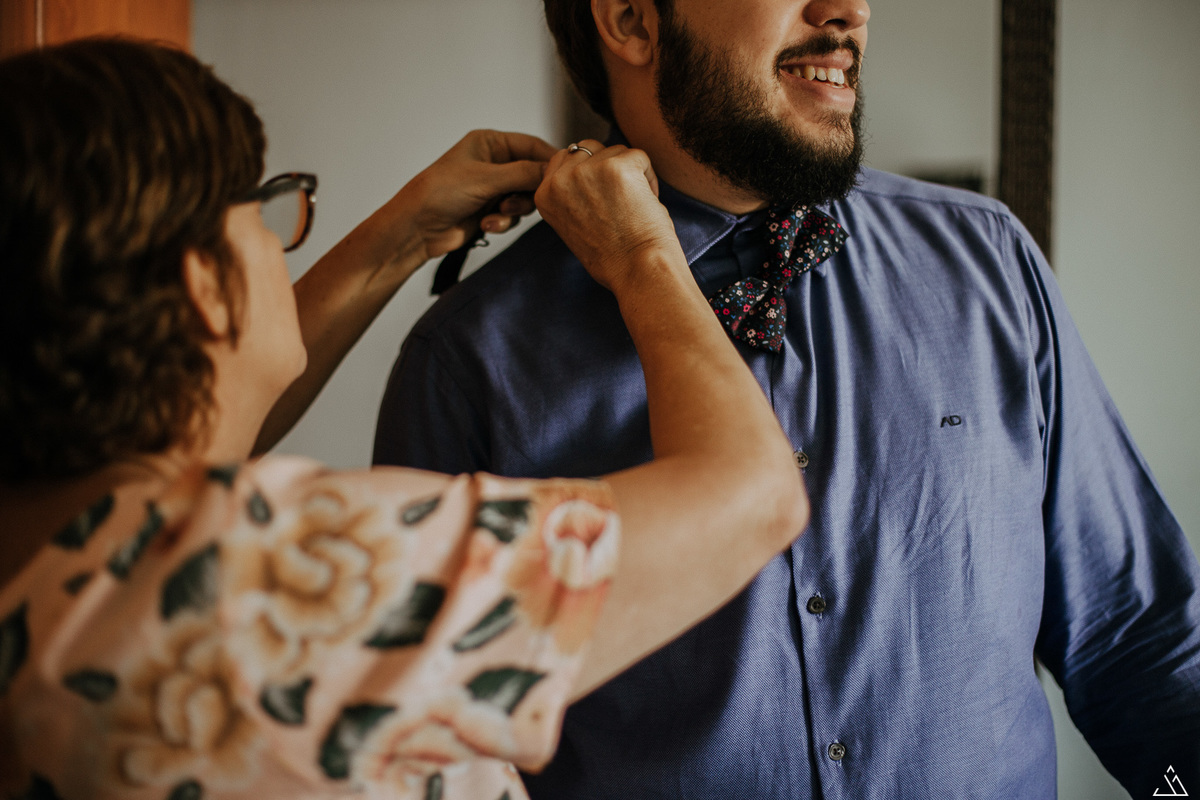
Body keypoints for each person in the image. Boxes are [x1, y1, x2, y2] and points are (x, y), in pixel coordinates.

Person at [372, 0, 1200, 797]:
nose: (851, 11)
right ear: (631, 19)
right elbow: (425, 752)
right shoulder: (469, 361)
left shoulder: (990, 265)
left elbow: (1140, 644)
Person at [0, 38, 810, 800]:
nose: (280, 246)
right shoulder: (260, 586)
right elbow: (753, 497)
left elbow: (196, 428)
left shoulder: (48, 562)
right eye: (264, 212)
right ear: (205, 286)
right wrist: (641, 256)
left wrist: (400, 238)